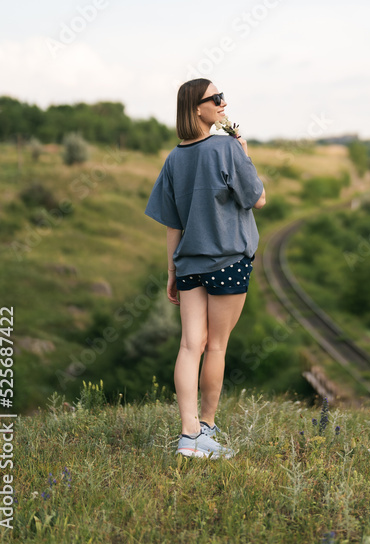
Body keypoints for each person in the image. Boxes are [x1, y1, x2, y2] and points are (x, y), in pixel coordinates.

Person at [144, 78, 266, 459]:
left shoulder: (174, 158)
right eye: (216, 98)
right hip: (228, 260)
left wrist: (171, 272)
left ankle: (188, 434)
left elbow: (172, 223)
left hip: (189, 264)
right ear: (197, 108)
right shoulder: (227, 147)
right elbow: (257, 199)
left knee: (188, 346)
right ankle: (208, 429)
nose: (223, 102)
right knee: (216, 346)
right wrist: (243, 153)